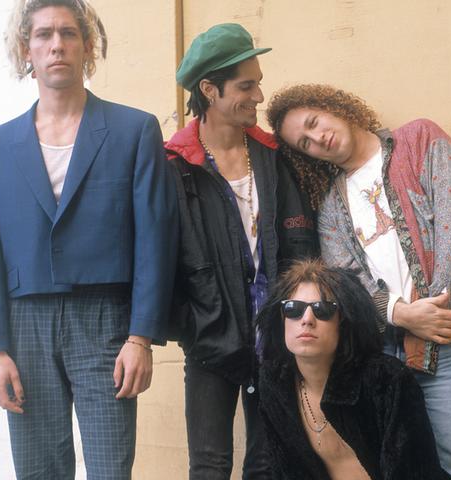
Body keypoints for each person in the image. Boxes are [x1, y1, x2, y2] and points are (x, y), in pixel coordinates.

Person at [0, 1, 177, 478]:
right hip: (25, 326)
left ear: (88, 46)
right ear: (27, 49)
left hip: (105, 321)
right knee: (39, 469)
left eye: (68, 33)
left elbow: (155, 238)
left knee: (110, 467)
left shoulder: (134, 130)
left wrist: (141, 337)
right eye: (43, 35)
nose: (56, 44)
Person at [266, 84, 451, 479]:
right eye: (306, 144)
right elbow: (348, 285)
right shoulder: (332, 207)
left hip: (445, 340)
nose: (318, 139)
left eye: (314, 123)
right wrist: (403, 315)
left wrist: (435, 312)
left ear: (332, 106)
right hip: (384, 353)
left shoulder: (420, 140)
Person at [164, 23, 317, 479]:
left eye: (259, 82)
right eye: (247, 86)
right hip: (210, 340)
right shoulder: (174, 164)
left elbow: (301, 242)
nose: (260, 96)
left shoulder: (274, 156)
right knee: (209, 466)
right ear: (209, 89)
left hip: (276, 341)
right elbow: (159, 258)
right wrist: (193, 325)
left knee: (269, 465)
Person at [256, 259, 451, 480]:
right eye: (294, 309)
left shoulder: (386, 381)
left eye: (323, 310)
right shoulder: (275, 383)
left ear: (344, 322)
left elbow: (415, 473)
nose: (307, 319)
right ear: (281, 319)